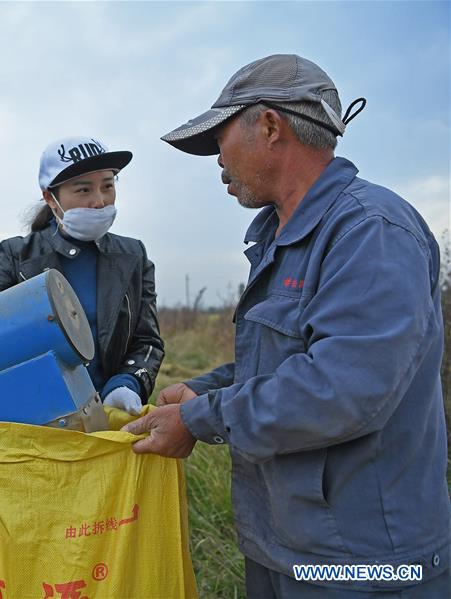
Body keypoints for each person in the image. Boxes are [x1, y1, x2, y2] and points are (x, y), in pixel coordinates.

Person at [122, 54, 450, 596]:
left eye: (219, 140)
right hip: (285, 543)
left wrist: (202, 419)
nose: (217, 161)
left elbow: (344, 388)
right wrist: (202, 391)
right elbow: (284, 361)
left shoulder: (370, 232)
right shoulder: (278, 238)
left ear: (270, 126)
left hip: (363, 562)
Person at [0, 136, 165, 415]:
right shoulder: (18, 256)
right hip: (37, 413)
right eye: (83, 190)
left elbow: (147, 341)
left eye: (108, 186)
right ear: (50, 197)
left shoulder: (133, 256)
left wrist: (127, 383)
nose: (99, 201)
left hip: (108, 414)